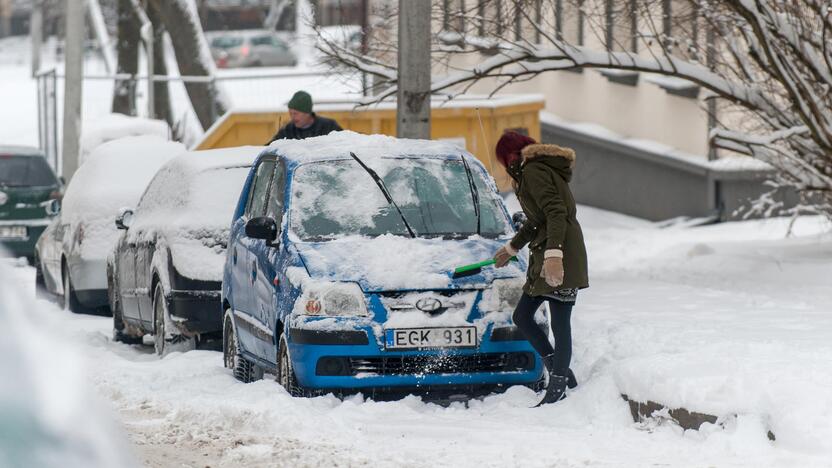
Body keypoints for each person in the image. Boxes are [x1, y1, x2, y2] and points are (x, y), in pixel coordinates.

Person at [492, 131, 589, 406]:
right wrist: (511, 248)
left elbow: (556, 212)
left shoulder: (534, 170)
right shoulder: (528, 173)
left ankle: (557, 389)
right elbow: (536, 221)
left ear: (509, 155)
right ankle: (562, 372)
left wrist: (555, 255)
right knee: (522, 316)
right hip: (543, 254)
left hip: (561, 255)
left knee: (560, 324)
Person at [267, 90, 343, 143]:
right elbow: (268, 149)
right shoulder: (287, 131)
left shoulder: (329, 127)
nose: (292, 117)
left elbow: (346, 144)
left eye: (296, 113)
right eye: (290, 113)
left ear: (307, 113)